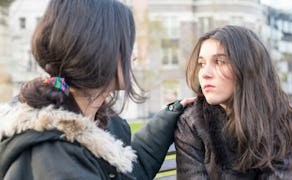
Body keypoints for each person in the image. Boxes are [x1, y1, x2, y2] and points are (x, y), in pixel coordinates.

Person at [0, 0, 194, 179]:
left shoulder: (96, 120)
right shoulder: (54, 156)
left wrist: (169, 115)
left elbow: (128, 170)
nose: (133, 56)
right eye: (127, 46)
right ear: (98, 50)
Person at [174, 25, 292, 179]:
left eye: (220, 61)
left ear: (248, 68)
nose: (205, 74)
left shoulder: (283, 121)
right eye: (202, 64)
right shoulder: (191, 122)